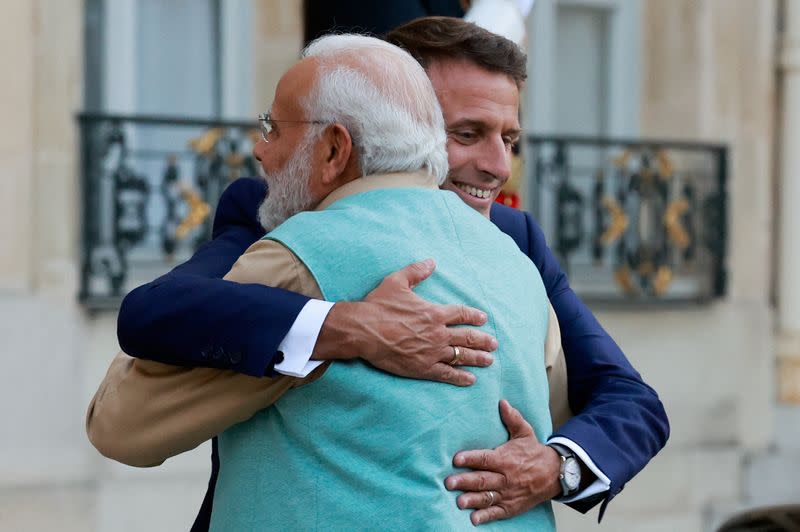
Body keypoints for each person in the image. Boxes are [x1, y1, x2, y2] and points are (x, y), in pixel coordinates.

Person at [95, 17, 668, 529]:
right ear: (393, 115)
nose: (498, 166)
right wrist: (343, 326)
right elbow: (158, 311)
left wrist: (555, 466)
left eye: (509, 139)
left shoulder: (513, 241)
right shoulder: (282, 211)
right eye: (465, 134)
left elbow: (627, 398)